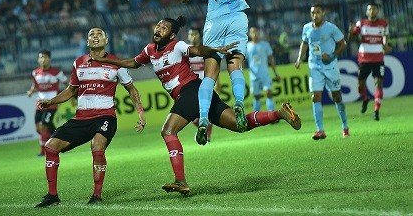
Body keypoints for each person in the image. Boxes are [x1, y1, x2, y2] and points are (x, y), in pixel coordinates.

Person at [93, 16, 301, 195]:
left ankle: (181, 180)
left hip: (191, 90)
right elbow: (133, 63)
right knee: (239, 126)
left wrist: (214, 50)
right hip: (200, 92)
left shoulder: (177, 46)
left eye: (164, 28)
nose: (158, 29)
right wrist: (110, 61)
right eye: (158, 26)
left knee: (168, 131)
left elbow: (195, 49)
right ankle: (279, 113)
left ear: (172, 35)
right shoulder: (149, 50)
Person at [178, 0, 274, 143]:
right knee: (235, 66)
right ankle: (239, 103)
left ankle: (203, 120)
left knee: (209, 74)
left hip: (215, 23)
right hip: (238, 19)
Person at [34, 28, 146, 207]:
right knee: (51, 147)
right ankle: (52, 195)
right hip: (81, 118)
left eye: (99, 34)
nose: (95, 37)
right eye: (91, 35)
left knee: (97, 146)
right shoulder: (79, 62)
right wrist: (51, 101)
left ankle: (96, 195)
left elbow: (131, 89)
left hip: (105, 117)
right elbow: (71, 90)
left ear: (106, 40)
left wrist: (140, 112)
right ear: (87, 42)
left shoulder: (117, 62)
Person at [295, 4, 349, 140]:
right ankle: (320, 130)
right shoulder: (306, 28)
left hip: (330, 66)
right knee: (315, 97)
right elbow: (304, 44)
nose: (315, 15)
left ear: (323, 13)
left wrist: (332, 55)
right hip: (314, 66)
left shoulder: (331, 27)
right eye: (313, 13)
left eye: (318, 12)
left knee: (337, 97)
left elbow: (343, 44)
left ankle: (345, 126)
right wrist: (299, 59)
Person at [348, 3, 391, 121]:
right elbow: (352, 37)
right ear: (367, 12)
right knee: (360, 86)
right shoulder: (361, 23)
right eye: (369, 9)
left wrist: (386, 45)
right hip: (364, 59)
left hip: (378, 58)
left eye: (374, 9)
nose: (372, 11)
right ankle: (365, 98)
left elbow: (385, 38)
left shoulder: (383, 24)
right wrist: (351, 32)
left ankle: (376, 110)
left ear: (377, 11)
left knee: (379, 83)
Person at [27, 50, 68, 156]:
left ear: (49, 59)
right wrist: (31, 91)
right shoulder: (35, 72)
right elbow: (35, 85)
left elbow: (68, 84)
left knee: (43, 126)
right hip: (39, 103)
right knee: (39, 128)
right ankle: (62, 141)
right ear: (38, 59)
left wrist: (68, 95)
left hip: (51, 103)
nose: (43, 59)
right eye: (41, 57)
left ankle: (43, 151)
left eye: (45, 57)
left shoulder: (57, 72)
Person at [188, 28, 215, 142]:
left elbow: (212, 67)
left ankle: (207, 136)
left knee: (207, 112)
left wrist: (216, 83)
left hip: (205, 85)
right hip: (190, 87)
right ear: (188, 36)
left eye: (195, 34)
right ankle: (203, 130)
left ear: (199, 36)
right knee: (192, 118)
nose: (193, 36)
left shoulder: (204, 50)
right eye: (191, 34)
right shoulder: (185, 51)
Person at [246, 27, 281, 111]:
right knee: (257, 96)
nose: (255, 34)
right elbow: (243, 60)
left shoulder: (265, 44)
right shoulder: (247, 46)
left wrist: (275, 73)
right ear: (250, 34)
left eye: (256, 32)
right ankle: (256, 117)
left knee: (268, 92)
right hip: (253, 76)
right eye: (253, 32)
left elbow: (271, 59)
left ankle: (271, 114)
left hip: (264, 74)